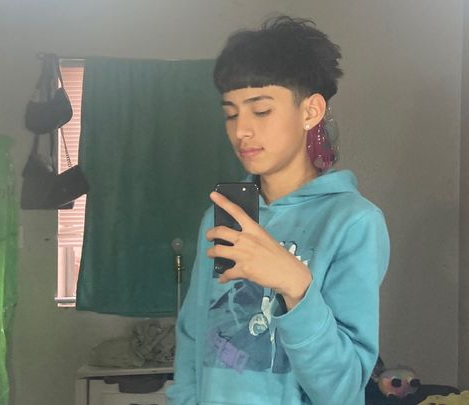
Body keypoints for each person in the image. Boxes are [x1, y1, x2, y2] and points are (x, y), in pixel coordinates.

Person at [166, 15, 390, 405]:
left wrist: (295, 285)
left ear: (311, 111)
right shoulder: (224, 216)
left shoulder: (353, 222)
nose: (241, 130)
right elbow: (192, 338)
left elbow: (342, 389)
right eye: (231, 113)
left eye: (261, 110)